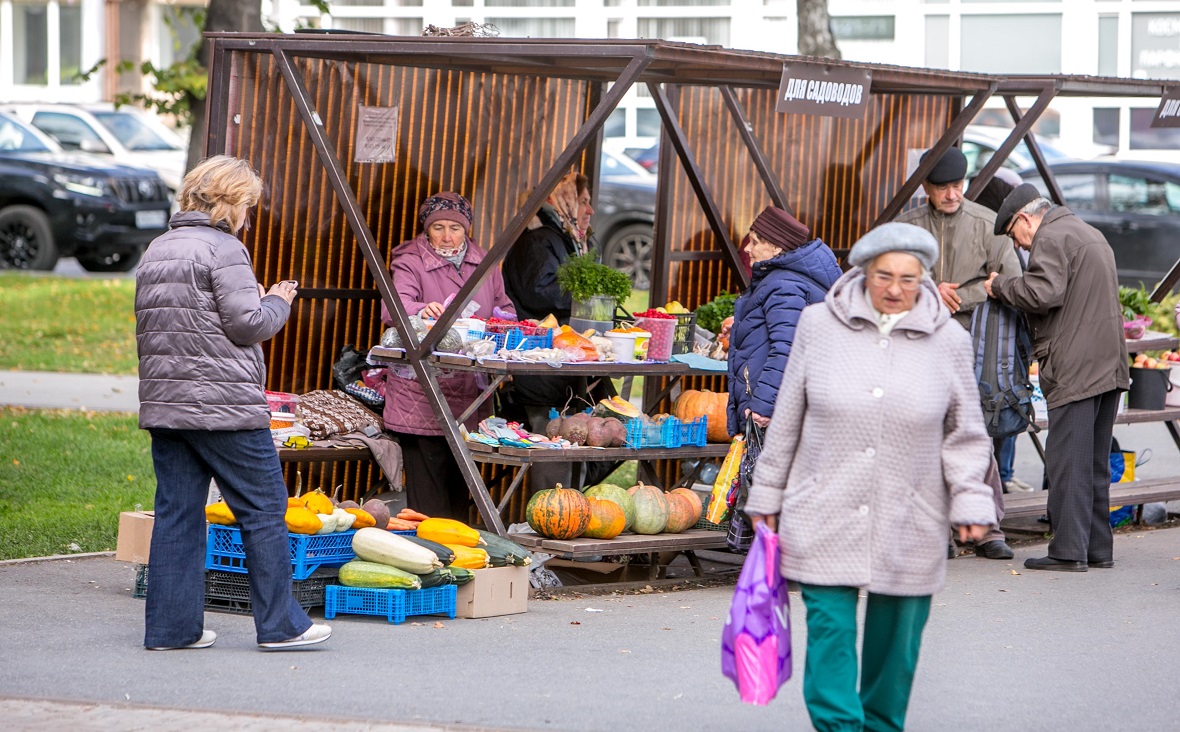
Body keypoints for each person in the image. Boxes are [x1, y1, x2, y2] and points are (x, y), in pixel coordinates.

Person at [745, 222, 997, 732]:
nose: (896, 289)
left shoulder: (948, 339)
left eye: (909, 278)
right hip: (823, 509)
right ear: (863, 272)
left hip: (912, 515)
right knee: (830, 632)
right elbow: (788, 417)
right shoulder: (818, 325)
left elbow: (966, 433)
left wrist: (972, 500)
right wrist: (766, 493)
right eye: (885, 276)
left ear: (924, 278)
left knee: (895, 647)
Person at [135, 155, 330, 650]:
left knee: (178, 514)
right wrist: (278, 300)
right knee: (263, 509)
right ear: (233, 202)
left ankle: (171, 630)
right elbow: (248, 325)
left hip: (166, 404)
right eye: (249, 205)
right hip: (224, 408)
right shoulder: (225, 248)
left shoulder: (158, 248)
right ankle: (282, 626)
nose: (248, 215)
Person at [985, 183, 1130, 572]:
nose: (1019, 245)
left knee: (1067, 462)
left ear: (1026, 219)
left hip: (1076, 368)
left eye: (1014, 234)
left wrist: (999, 285)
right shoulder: (1087, 232)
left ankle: (1067, 551)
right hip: (1108, 364)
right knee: (1094, 462)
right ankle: (1097, 548)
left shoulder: (1050, 237)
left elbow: (1041, 293)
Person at [897, 147, 1022, 560]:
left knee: (974, 435)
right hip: (916, 349)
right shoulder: (905, 228)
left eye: (957, 185)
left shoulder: (988, 224)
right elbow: (880, 285)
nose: (952, 194)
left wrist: (962, 295)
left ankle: (986, 529)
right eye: (942, 188)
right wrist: (926, 291)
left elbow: (1013, 282)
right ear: (926, 188)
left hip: (974, 348)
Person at [381, 192, 516, 520]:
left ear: (466, 229)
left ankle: (457, 549)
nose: (446, 236)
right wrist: (421, 309)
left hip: (470, 393)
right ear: (426, 229)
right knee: (428, 502)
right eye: (438, 227)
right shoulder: (410, 260)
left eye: (454, 228)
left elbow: (506, 309)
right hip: (421, 393)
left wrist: (500, 322)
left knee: (460, 490)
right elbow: (392, 308)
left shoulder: (485, 262)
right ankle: (429, 549)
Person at [503, 173, 607, 491]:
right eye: (583, 202)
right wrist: (587, 293)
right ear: (563, 201)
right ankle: (554, 511)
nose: (590, 210)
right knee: (553, 446)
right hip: (540, 368)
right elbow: (539, 291)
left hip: (566, 365)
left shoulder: (566, 239)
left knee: (596, 434)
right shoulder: (537, 241)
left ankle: (571, 501)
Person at [726, 206, 841, 436]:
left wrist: (763, 406)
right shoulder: (785, 280)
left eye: (755, 242)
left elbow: (787, 349)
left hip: (774, 416)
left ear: (777, 247)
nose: (747, 248)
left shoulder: (784, 285)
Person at [969, 168, 1036, 494]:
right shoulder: (996, 231)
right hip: (997, 335)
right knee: (1001, 402)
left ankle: (1002, 477)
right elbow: (1018, 282)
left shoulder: (990, 228)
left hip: (990, 334)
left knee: (997, 404)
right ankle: (1002, 478)